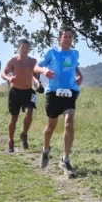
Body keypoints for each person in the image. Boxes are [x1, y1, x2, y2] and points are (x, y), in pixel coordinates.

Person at [35, 26, 83, 178]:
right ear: (59, 38)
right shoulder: (52, 52)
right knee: (51, 126)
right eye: (65, 36)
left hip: (69, 93)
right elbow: (37, 67)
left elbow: (75, 67)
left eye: (70, 36)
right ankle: (45, 150)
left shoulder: (75, 53)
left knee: (68, 124)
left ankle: (65, 159)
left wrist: (79, 76)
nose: (68, 39)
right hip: (53, 93)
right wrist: (45, 72)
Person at [1, 39, 38, 153]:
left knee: (29, 114)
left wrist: (37, 83)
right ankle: (11, 141)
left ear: (29, 49)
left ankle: (24, 134)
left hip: (29, 92)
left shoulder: (33, 61)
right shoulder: (13, 60)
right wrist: (9, 78)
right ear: (18, 48)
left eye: (27, 47)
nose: (25, 49)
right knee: (14, 118)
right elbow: (3, 73)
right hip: (15, 92)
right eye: (23, 47)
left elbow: (35, 75)